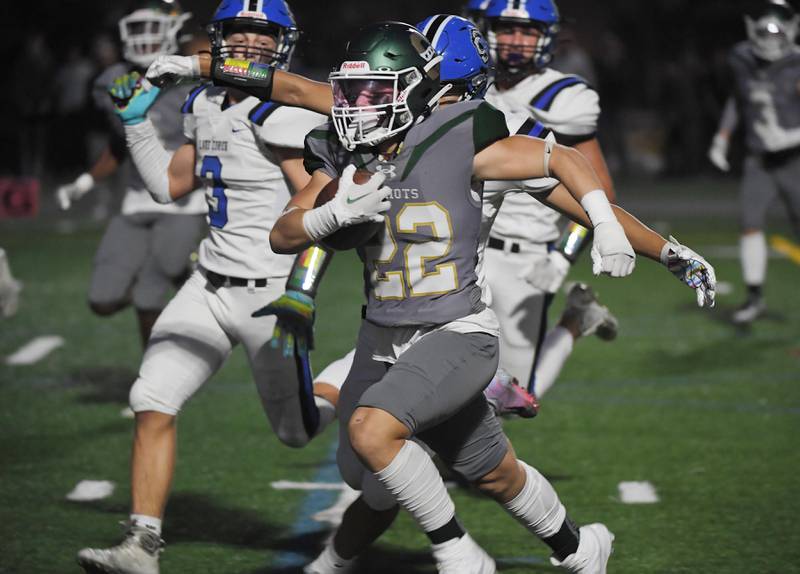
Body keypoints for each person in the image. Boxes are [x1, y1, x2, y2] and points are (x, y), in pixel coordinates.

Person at [148, 19, 715, 573]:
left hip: (454, 325)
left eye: (373, 89)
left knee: (373, 434)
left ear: (431, 85)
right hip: (383, 330)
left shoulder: (470, 132)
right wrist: (331, 215)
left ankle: (456, 550)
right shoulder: (351, 137)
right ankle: (577, 548)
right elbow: (284, 218)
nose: (352, 103)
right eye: (352, 89)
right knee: (477, 472)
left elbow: (566, 164)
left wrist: (660, 249)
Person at [76, 2, 336, 573]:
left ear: (283, 44)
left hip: (269, 292)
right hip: (209, 283)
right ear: (217, 38)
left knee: (296, 432)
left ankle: (351, 375)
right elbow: (169, 184)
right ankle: (141, 545)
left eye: (262, 33)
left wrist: (303, 288)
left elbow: (322, 202)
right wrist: (136, 122)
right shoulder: (202, 101)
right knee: (151, 398)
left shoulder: (282, 112)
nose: (248, 41)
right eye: (238, 30)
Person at [480, 0, 621, 396]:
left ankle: (576, 320)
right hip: (465, 247)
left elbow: (601, 196)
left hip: (525, 255)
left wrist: (561, 256)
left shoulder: (565, 96)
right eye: (507, 28)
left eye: (528, 31)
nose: (516, 40)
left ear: (548, 38)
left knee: (517, 397)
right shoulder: (468, 84)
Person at [55, 0, 206, 349]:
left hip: (183, 201)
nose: (144, 39)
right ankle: (182, 272)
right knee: (102, 300)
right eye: (137, 30)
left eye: (153, 29)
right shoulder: (114, 80)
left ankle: (153, 380)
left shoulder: (194, 75)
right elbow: (118, 144)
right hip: (137, 201)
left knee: (147, 297)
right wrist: (85, 182)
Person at [707, 0, 800, 324]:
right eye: (765, 30)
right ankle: (754, 298)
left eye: (777, 30)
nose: (771, 38)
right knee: (750, 223)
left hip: (795, 161)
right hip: (759, 160)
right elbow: (739, 98)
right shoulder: (742, 57)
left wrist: (791, 137)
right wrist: (723, 135)